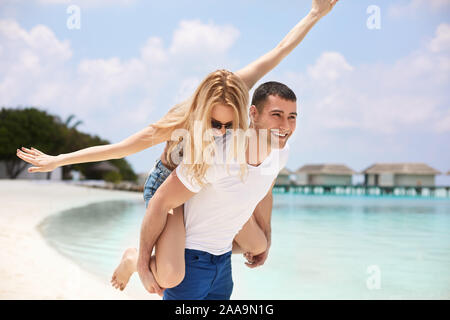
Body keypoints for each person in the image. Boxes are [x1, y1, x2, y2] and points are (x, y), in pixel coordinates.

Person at [16, 0, 339, 298]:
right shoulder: (178, 122)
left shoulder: (238, 90)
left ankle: (176, 257)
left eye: (231, 124)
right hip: (169, 189)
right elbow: (119, 149)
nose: (224, 132)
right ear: (203, 113)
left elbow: (280, 50)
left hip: (207, 185)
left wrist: (315, 14)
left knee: (257, 244)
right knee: (170, 274)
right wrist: (59, 159)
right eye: (216, 125)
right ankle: (136, 258)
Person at [138, 81, 298, 300]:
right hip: (190, 256)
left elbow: (266, 192)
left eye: (292, 117)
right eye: (276, 115)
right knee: (170, 276)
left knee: (259, 244)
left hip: (222, 261)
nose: (285, 125)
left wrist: (267, 239)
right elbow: (162, 200)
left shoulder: (281, 153)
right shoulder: (218, 154)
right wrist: (142, 263)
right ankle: (142, 260)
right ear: (254, 113)